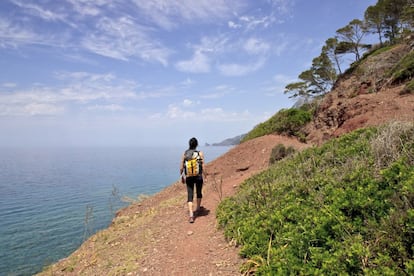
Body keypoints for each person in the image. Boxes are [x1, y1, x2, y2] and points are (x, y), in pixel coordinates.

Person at [180, 137, 205, 223]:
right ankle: (198, 209)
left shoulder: (185, 153)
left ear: (189, 144)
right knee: (199, 192)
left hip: (189, 177)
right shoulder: (199, 153)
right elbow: (203, 165)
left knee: (190, 195)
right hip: (198, 176)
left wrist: (182, 175)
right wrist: (205, 174)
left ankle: (191, 215)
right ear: (196, 144)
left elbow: (181, 167)